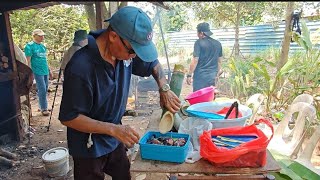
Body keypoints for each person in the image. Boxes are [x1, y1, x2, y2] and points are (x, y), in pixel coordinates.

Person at [58, 6, 180, 180]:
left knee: (124, 174)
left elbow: (152, 62)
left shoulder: (123, 51)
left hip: (115, 136)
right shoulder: (80, 68)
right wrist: (113, 129)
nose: (134, 57)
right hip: (89, 145)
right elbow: (69, 117)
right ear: (113, 36)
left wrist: (164, 88)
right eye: (132, 51)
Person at [186, 22, 223, 92]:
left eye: (197, 33)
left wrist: (189, 75)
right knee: (210, 98)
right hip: (212, 77)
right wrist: (216, 75)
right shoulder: (218, 44)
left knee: (199, 100)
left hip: (200, 78)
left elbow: (195, 60)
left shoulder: (198, 43)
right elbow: (219, 61)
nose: (197, 35)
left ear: (201, 33)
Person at [24, 29, 52, 116]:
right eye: (40, 36)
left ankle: (41, 106)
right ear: (34, 35)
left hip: (45, 70)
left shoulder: (43, 47)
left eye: (43, 35)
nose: (42, 37)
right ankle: (44, 108)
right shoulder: (29, 46)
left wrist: (49, 70)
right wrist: (29, 72)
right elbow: (28, 61)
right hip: (36, 71)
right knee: (42, 89)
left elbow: (45, 60)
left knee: (45, 88)